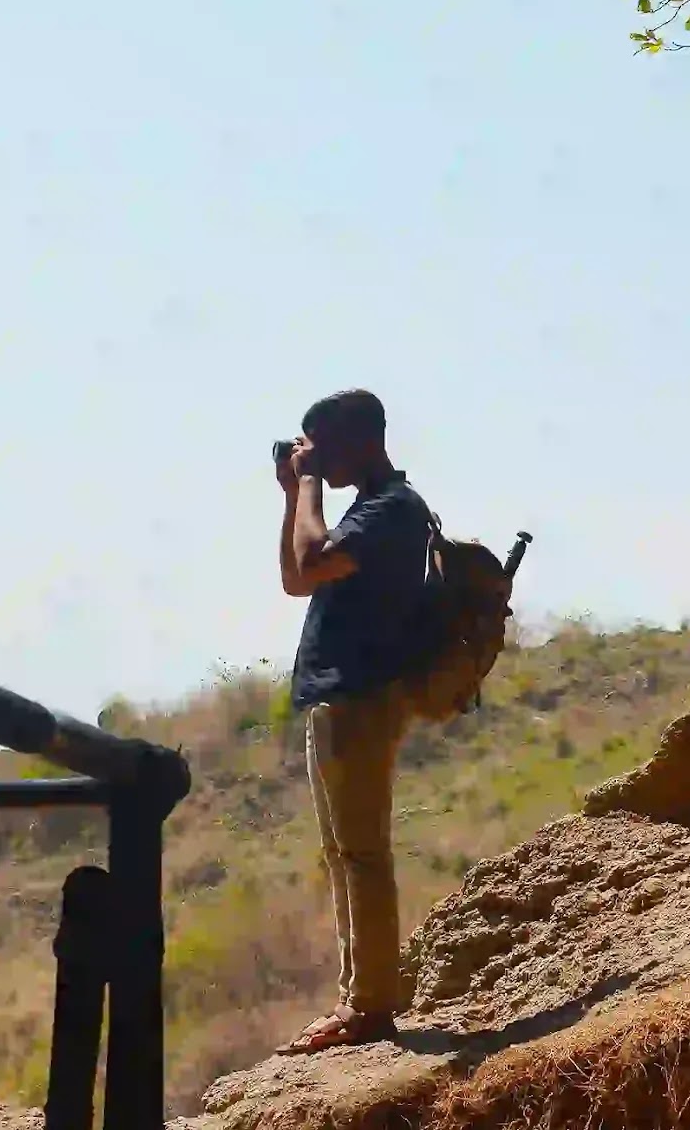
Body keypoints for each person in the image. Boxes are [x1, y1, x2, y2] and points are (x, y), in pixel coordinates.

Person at [272, 389, 433, 1054]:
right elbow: (294, 577)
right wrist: (294, 497)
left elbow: (310, 567)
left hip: (362, 698)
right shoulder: (368, 511)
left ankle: (369, 1006)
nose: (316, 458)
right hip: (340, 698)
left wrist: (306, 483)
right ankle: (357, 998)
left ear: (362, 440)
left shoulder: (393, 509)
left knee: (362, 855)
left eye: (324, 444)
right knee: (343, 855)